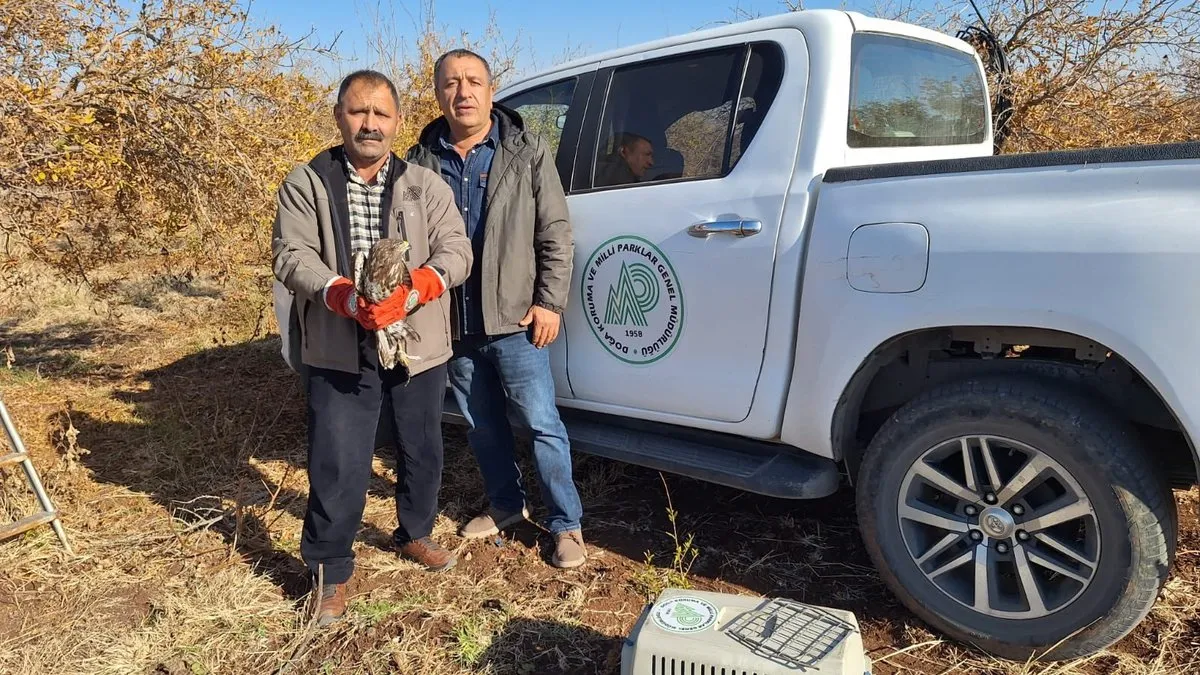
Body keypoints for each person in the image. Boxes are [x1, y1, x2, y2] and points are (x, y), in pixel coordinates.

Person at [272, 69, 473, 626]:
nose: (370, 124)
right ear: (339, 116)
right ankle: (329, 572)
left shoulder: (425, 185)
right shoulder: (307, 182)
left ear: (397, 122)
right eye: (359, 112)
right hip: (339, 343)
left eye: (381, 114)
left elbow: (457, 249)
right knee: (338, 459)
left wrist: (419, 287)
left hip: (416, 344)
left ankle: (415, 532)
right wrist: (341, 295)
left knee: (421, 447)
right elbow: (292, 255)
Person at [406, 49, 586, 569]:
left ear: (490, 90)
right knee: (482, 426)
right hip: (452, 322)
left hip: (516, 320)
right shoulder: (420, 161)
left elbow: (555, 233)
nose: (463, 92)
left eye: (474, 82)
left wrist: (550, 301)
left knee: (541, 423)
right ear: (437, 92)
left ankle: (565, 523)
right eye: (451, 83)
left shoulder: (525, 150)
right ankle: (506, 505)